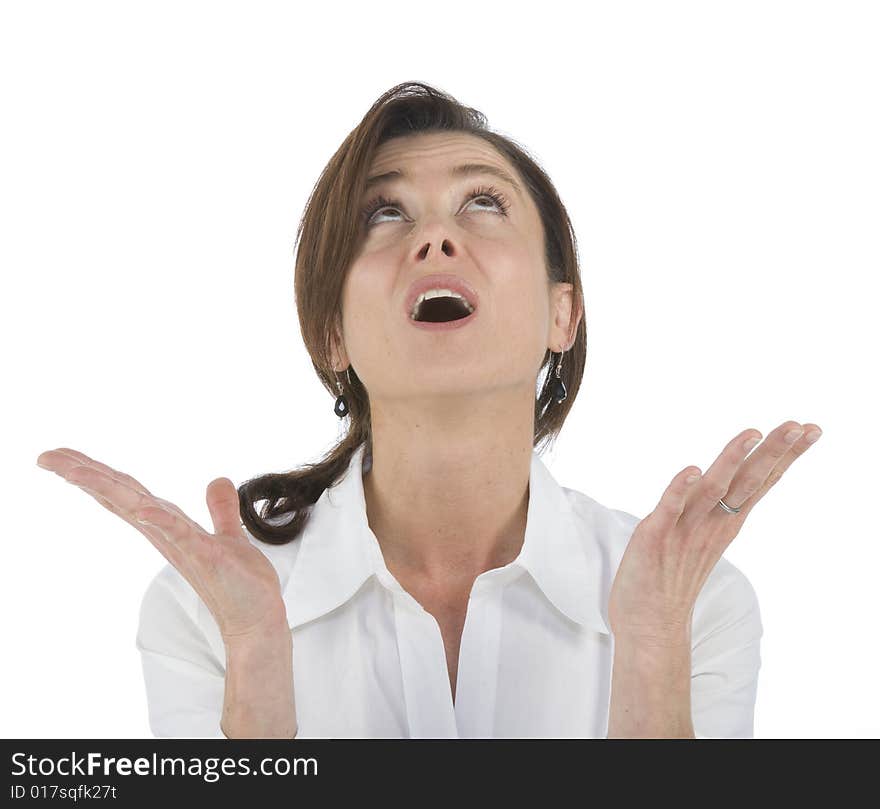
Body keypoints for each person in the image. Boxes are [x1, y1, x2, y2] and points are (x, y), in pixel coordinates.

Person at [36, 81, 822, 739]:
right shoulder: (205, 609)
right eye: (385, 214)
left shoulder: (693, 601)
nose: (436, 239)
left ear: (562, 315)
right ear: (332, 332)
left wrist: (651, 654)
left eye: (483, 202)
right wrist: (258, 674)